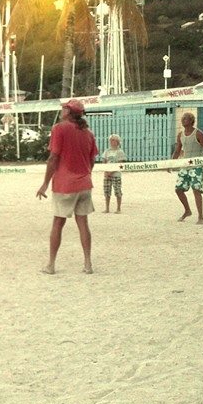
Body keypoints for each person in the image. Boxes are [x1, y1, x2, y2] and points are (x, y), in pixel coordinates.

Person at [36, 99, 98, 274]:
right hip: (84, 183)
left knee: (58, 223)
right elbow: (92, 160)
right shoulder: (88, 133)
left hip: (65, 184)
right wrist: (86, 174)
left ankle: (51, 265)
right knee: (83, 223)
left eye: (64, 108)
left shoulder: (59, 128)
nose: (61, 110)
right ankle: (88, 263)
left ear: (68, 112)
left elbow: (53, 158)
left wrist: (45, 183)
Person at [172, 112, 203, 224]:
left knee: (196, 190)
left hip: (197, 166)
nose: (183, 120)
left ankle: (200, 217)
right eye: (182, 118)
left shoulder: (198, 133)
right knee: (178, 189)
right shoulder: (180, 135)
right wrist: (170, 164)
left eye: (185, 118)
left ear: (191, 120)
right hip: (185, 165)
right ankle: (187, 210)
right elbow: (177, 150)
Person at [102, 134, 127, 213]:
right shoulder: (107, 151)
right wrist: (106, 171)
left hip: (116, 174)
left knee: (117, 191)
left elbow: (120, 164)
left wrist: (111, 171)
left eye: (113, 140)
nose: (112, 141)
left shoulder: (120, 152)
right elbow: (104, 162)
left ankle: (118, 208)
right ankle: (107, 208)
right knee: (107, 191)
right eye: (111, 140)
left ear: (118, 142)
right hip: (107, 174)